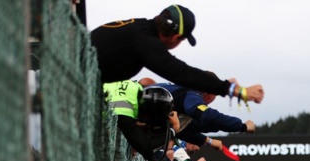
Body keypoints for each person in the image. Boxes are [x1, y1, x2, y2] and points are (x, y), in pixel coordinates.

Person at [90, 5, 264, 104]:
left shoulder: (141, 29)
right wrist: (236, 90)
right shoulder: (146, 42)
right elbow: (181, 73)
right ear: (176, 37)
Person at [150, 81, 256, 149]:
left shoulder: (184, 96)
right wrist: (242, 126)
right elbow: (208, 116)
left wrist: (209, 141)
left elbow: (187, 128)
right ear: (209, 93)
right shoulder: (192, 95)